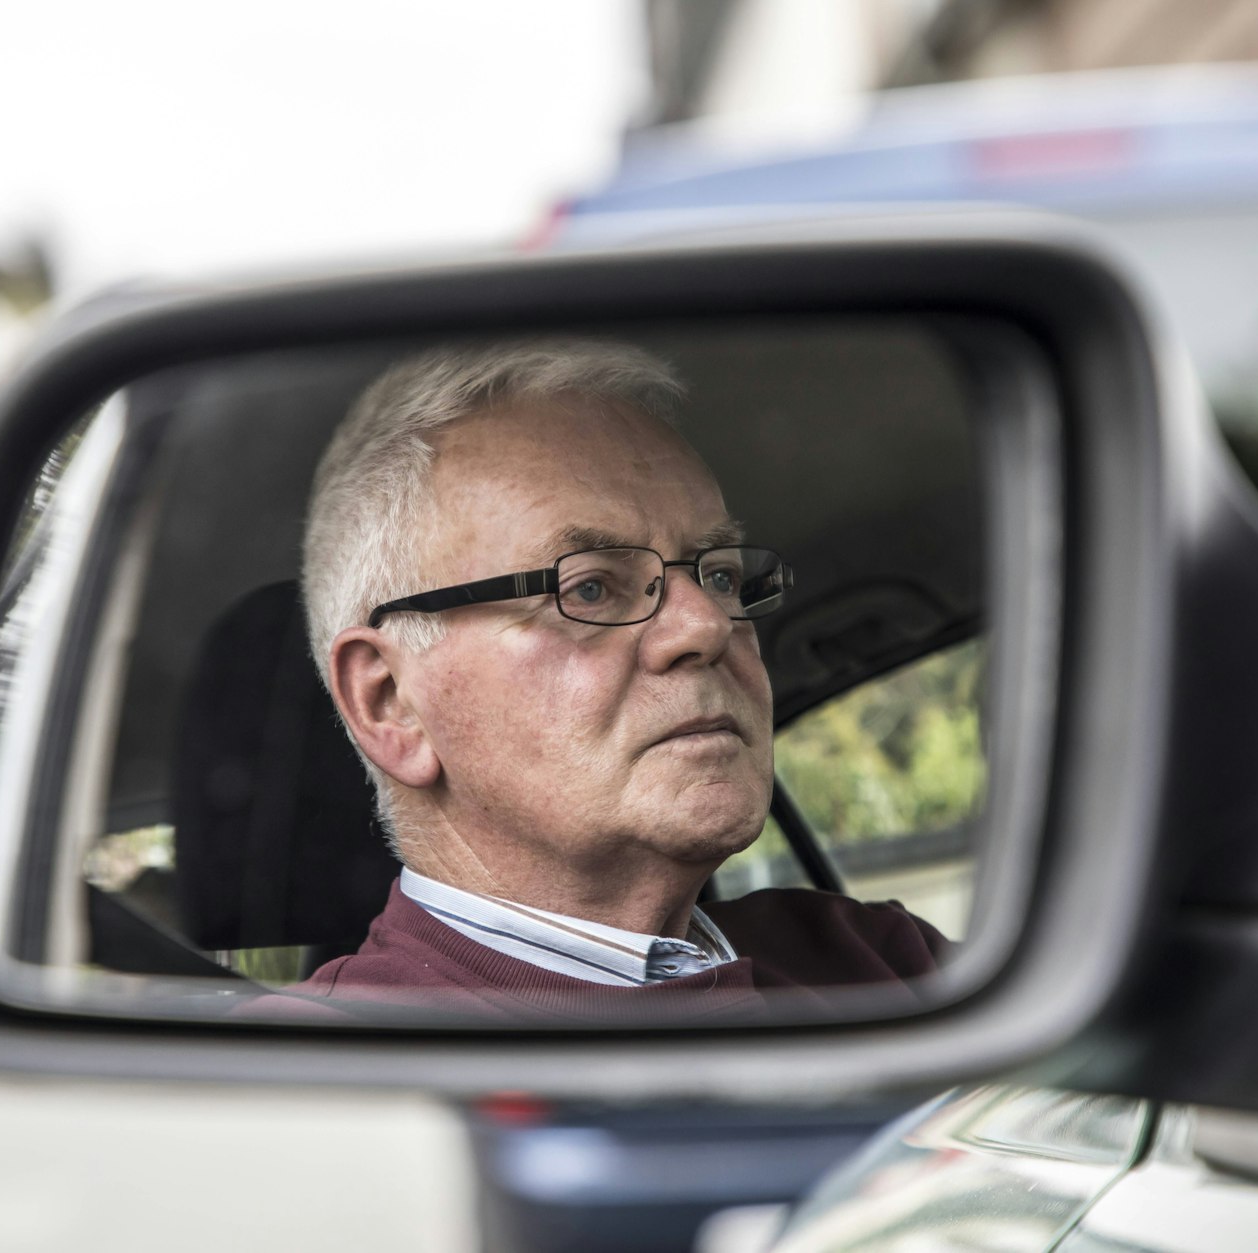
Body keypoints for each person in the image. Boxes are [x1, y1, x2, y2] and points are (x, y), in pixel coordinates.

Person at [285, 340, 947, 1023]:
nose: (706, 624)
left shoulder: (879, 960)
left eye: (719, 575)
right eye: (592, 587)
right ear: (391, 702)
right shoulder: (307, 1080)